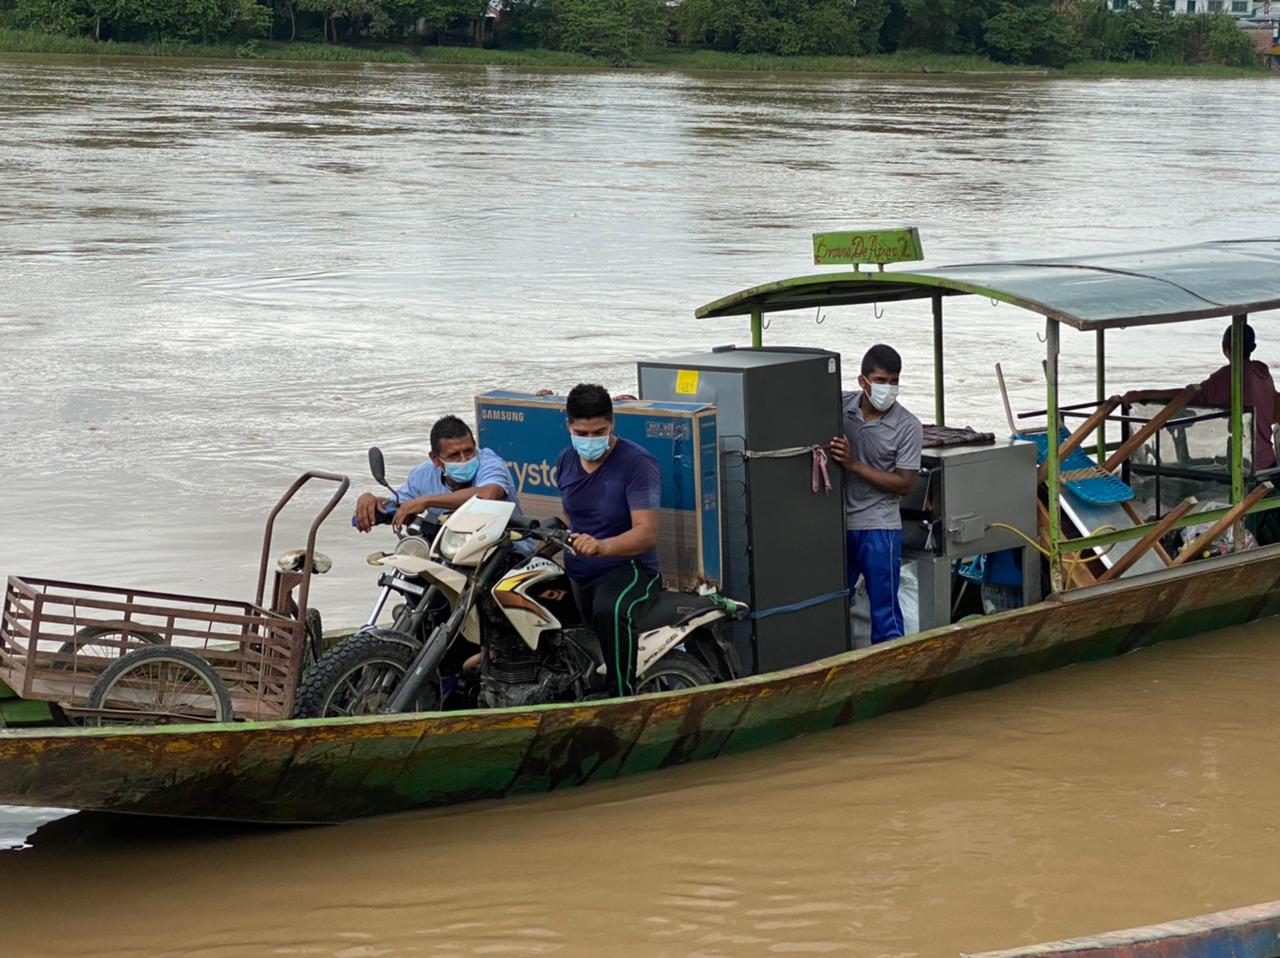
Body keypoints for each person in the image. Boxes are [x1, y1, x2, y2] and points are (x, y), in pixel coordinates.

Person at [556, 383, 661, 697]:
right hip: (577, 572)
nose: (590, 441)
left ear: (612, 423)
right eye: (582, 433)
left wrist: (603, 546)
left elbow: (647, 532)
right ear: (569, 427)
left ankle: (622, 698)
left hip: (629, 570)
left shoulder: (637, 464)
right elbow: (569, 516)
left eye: (598, 432)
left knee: (610, 611)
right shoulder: (565, 459)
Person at [829, 344, 923, 645]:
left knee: (885, 610)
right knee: (832, 602)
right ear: (863, 382)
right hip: (837, 524)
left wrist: (854, 464)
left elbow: (905, 483)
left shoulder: (908, 426)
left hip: (879, 527)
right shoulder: (841, 407)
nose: (889, 388)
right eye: (881, 381)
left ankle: (890, 662)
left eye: (894, 381)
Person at [1123, 322, 1278, 471]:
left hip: (1247, 467)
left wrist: (1144, 394)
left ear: (1224, 348)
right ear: (1254, 348)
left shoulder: (1228, 376)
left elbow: (1191, 396)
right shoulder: (1262, 372)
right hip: (1268, 461)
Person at [353, 415, 520, 532]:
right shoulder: (422, 475)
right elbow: (401, 505)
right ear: (435, 459)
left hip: (505, 552)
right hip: (447, 553)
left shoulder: (490, 463)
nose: (463, 460)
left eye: (468, 451)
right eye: (454, 455)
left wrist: (426, 501)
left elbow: (488, 494)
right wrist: (371, 502)